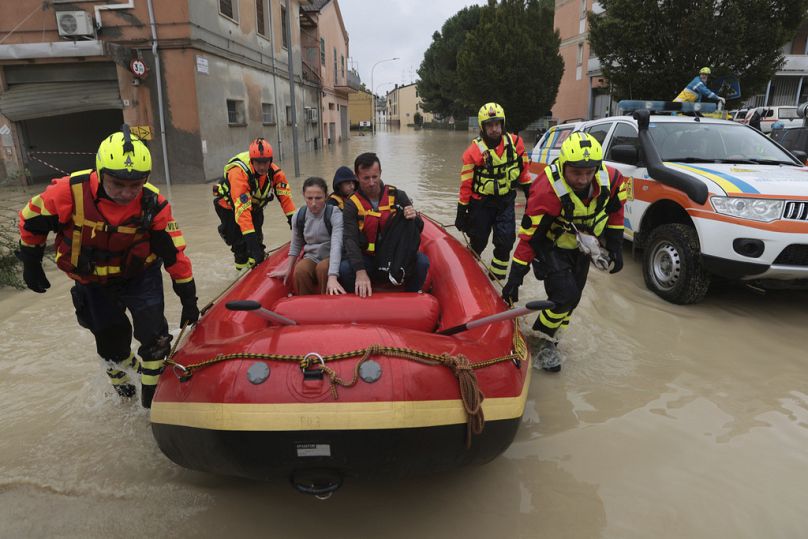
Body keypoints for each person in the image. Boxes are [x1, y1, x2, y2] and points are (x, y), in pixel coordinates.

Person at [16, 126, 199, 408]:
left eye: (135, 185)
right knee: (111, 343)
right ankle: (124, 390)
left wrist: (188, 297)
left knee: (155, 337)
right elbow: (31, 220)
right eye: (117, 184)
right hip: (92, 281)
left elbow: (174, 254)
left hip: (140, 276)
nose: (127, 193)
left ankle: (152, 404)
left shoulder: (154, 204)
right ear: (100, 173)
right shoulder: (68, 193)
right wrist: (31, 261)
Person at [501, 132, 626, 373]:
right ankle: (541, 339)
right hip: (549, 247)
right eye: (576, 173)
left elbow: (615, 211)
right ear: (564, 165)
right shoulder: (546, 190)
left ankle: (553, 338)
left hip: (581, 249)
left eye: (588, 172)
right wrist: (515, 279)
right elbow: (528, 238)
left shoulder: (611, 179)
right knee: (565, 295)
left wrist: (616, 247)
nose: (583, 179)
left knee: (573, 299)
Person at [455, 102, 532, 280]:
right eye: (490, 125)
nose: (494, 129)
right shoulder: (473, 152)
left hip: (505, 202)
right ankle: (469, 272)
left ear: (502, 124)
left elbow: (524, 172)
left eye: (497, 124)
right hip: (481, 203)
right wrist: (462, 210)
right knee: (478, 240)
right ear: (482, 127)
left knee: (506, 242)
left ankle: (496, 279)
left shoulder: (516, 144)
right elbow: (466, 184)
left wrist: (530, 198)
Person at [339, 152, 430, 297]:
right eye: (366, 178)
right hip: (369, 258)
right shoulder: (352, 204)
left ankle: (410, 298)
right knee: (345, 269)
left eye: (375, 177)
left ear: (380, 173)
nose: (371, 183)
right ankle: (359, 302)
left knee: (422, 262)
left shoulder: (398, 196)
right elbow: (350, 239)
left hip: (395, 256)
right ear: (357, 177)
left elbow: (417, 229)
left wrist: (415, 218)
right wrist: (360, 271)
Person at [213, 138, 296, 270]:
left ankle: (255, 265)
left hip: (255, 207)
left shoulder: (275, 173)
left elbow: (286, 200)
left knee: (258, 242)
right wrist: (252, 246)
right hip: (228, 207)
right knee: (240, 246)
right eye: (258, 163)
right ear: (252, 161)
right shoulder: (239, 174)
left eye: (266, 162)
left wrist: (295, 224)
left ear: (271, 161)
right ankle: (240, 272)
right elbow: (243, 213)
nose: (262, 167)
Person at [269, 176, 346, 295]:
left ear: (326, 196)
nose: (313, 203)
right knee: (300, 270)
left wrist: (332, 276)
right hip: (311, 256)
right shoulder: (299, 216)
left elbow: (336, 245)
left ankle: (327, 301)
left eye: (318, 198)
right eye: (309, 198)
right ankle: (305, 303)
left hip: (330, 256)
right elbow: (296, 244)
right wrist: (288, 269)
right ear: (304, 197)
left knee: (323, 269)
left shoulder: (334, 214)